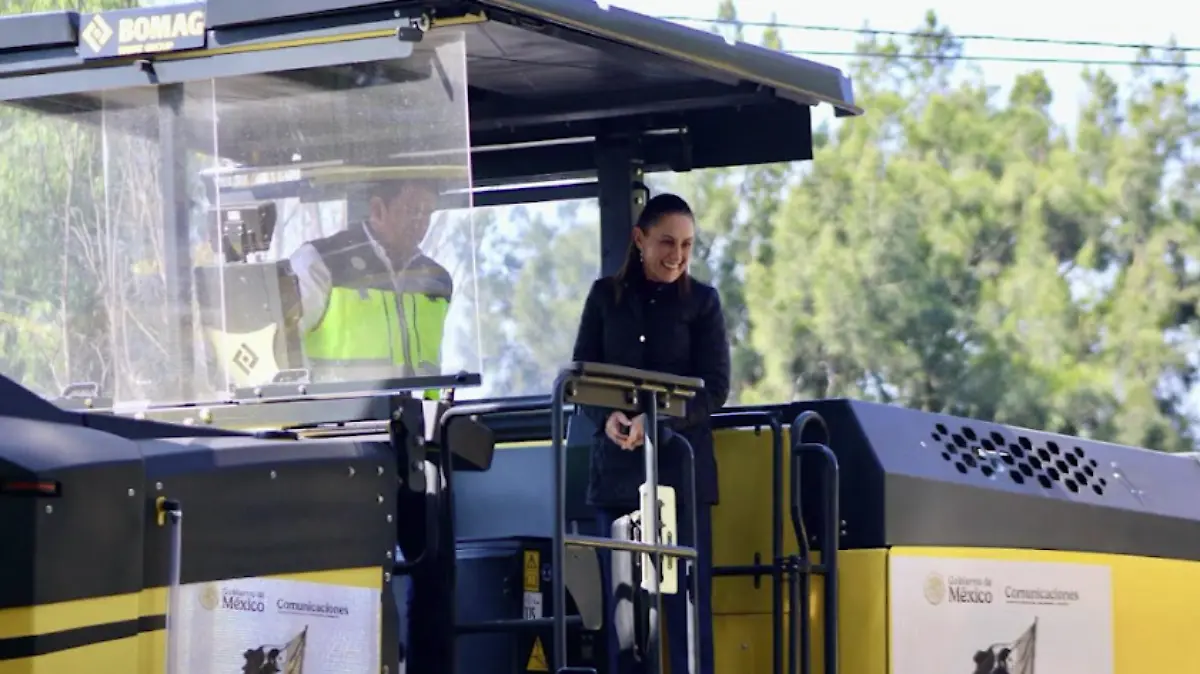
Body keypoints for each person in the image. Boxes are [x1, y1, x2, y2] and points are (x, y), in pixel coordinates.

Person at [571, 193, 731, 674]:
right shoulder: (605, 297)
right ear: (639, 239)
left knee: (685, 608)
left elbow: (715, 389)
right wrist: (608, 419)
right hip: (617, 477)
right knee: (624, 613)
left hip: (680, 476)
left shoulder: (704, 302)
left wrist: (655, 422)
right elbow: (582, 379)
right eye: (666, 242)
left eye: (686, 245)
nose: (677, 255)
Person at [288, 176, 452, 386]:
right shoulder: (320, 262)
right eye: (412, 211)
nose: (420, 223)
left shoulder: (437, 281)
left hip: (421, 417)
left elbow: (432, 367)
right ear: (377, 210)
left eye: (427, 213)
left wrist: (435, 412)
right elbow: (283, 351)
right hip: (339, 416)